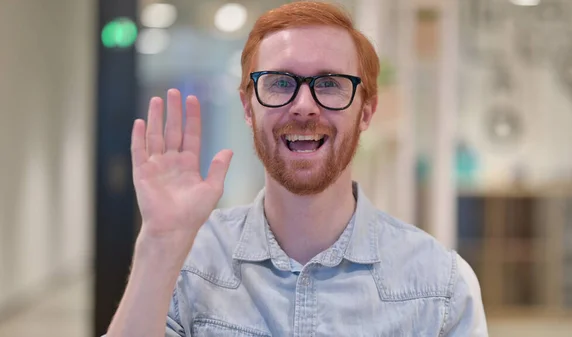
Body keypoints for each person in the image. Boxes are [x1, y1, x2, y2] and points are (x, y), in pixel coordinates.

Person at [104, 2, 488, 336]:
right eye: (280, 82)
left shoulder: (441, 285)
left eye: (331, 84)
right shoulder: (190, 262)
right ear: (247, 107)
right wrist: (159, 243)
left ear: (366, 111)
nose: (304, 105)